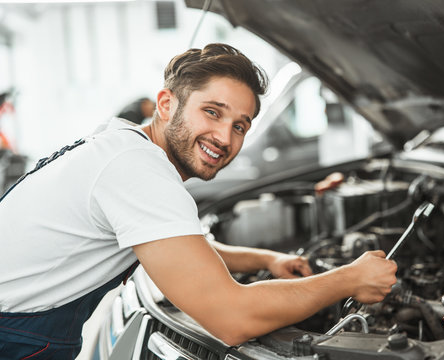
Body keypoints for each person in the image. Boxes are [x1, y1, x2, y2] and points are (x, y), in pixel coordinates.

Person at [0, 43, 397, 358]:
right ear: (167, 103)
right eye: (212, 112)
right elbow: (232, 318)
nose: (225, 138)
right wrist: (349, 278)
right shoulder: (136, 170)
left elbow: (182, 246)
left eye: (239, 126)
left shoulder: (120, 145)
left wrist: (266, 260)